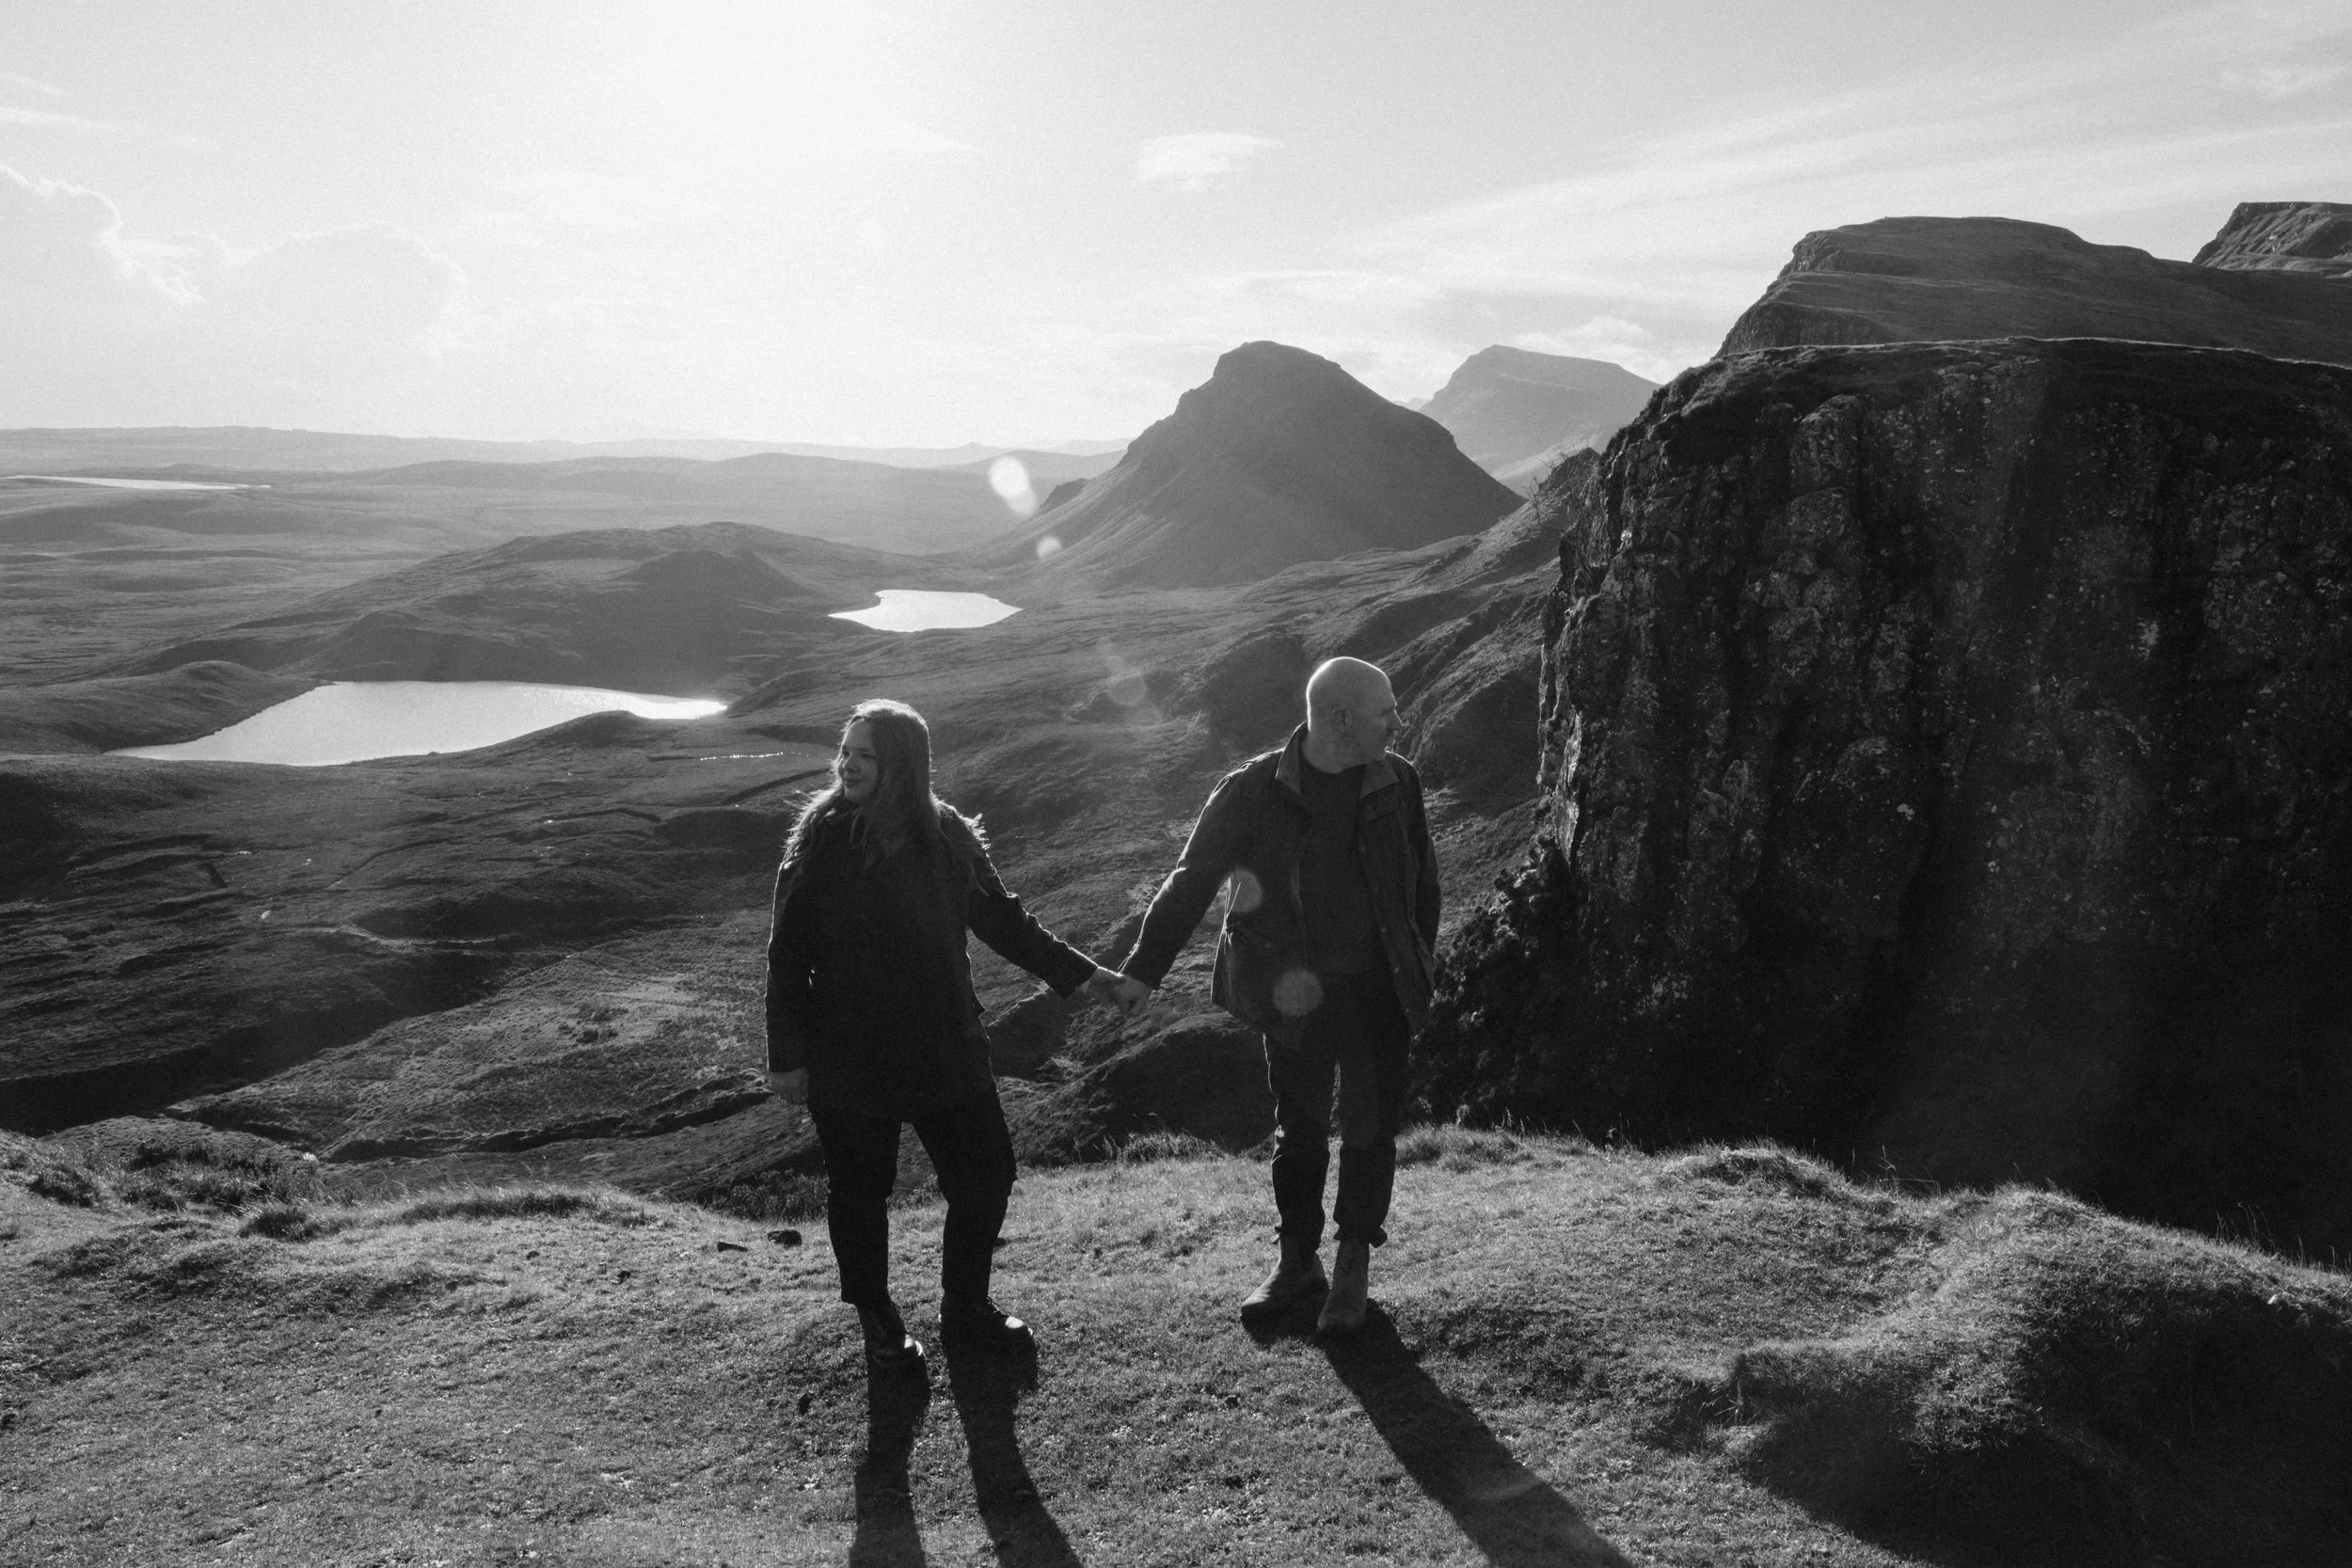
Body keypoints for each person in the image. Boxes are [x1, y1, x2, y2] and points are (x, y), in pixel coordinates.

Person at [766, 698, 1124, 1371]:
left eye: (864, 753)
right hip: (850, 1054)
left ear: (903, 763)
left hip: (945, 1043)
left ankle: (966, 1306)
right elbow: (786, 956)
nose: (846, 764)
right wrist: (786, 1058)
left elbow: (1007, 924)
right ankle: (876, 1318)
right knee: (860, 1192)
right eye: (844, 751)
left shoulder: (948, 833)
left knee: (987, 1175)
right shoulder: (819, 839)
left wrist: (1088, 975)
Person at [1110, 657, 1439, 1337]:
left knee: (1372, 1129)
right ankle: (1297, 1263)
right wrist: (1143, 970)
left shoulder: (1397, 780)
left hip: (1379, 992)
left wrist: (1418, 964)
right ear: (1341, 719)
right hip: (1293, 995)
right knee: (1301, 1132)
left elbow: (1422, 885)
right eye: (1386, 711)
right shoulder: (1253, 790)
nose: (1398, 722)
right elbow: (1190, 880)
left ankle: (1352, 1263)